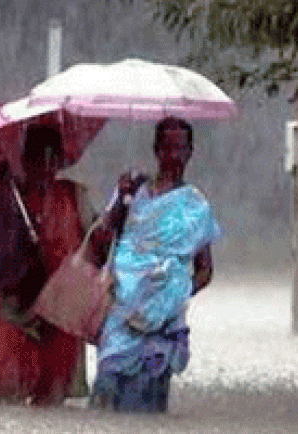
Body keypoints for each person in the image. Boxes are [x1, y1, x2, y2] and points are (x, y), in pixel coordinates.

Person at [88, 116, 220, 413]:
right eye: (167, 148)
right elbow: (100, 242)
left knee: (148, 409)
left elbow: (205, 270)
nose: (174, 156)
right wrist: (120, 199)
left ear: (190, 152)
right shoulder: (132, 191)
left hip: (162, 327)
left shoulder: (196, 207)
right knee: (104, 399)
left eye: (181, 148)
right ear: (156, 150)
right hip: (121, 315)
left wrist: (172, 295)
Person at [0, 124, 95, 406]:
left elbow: (96, 245)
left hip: (60, 314)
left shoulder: (73, 197)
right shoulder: (7, 198)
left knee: (51, 398)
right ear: (25, 160)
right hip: (13, 312)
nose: (45, 167)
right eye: (38, 158)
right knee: (10, 395)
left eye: (52, 159)